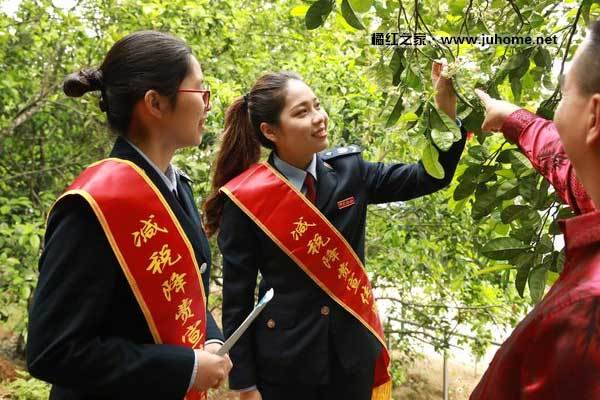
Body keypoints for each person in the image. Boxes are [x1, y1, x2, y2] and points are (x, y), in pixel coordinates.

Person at [202, 61, 466, 400]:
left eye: (317, 105)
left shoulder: (351, 172)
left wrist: (446, 112)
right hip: (285, 366)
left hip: (351, 359)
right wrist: (245, 384)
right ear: (271, 131)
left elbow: (431, 176)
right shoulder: (246, 199)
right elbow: (238, 301)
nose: (319, 117)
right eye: (302, 112)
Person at [26, 30, 232, 400]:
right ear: (154, 103)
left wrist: (211, 338)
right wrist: (184, 367)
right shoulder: (93, 205)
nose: (207, 104)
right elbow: (53, 350)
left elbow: (187, 289)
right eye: (199, 91)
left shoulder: (176, 187)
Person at [470, 20, 600, 400]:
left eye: (563, 95)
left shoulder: (584, 316)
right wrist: (512, 118)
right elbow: (568, 165)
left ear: (594, 117)